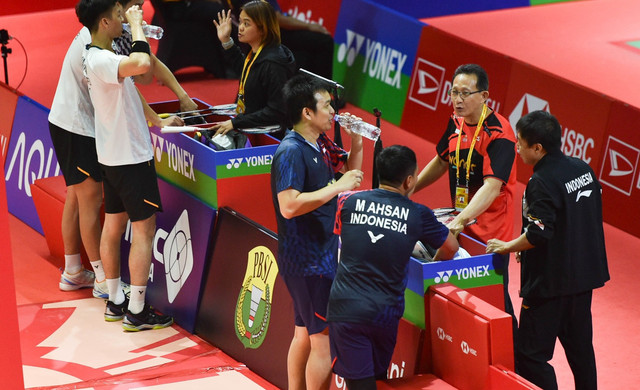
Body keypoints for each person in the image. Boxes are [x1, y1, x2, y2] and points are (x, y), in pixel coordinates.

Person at [486, 111, 610, 390]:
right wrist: (524, 245)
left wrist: (508, 245)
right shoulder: (582, 168)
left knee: (530, 356)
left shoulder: (540, 182)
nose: (516, 148)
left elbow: (539, 233)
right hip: (582, 279)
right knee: (580, 351)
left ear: (538, 148)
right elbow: (572, 215)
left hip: (549, 285)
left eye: (520, 143)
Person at [78, 0, 181, 330]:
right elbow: (141, 64)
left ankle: (115, 300)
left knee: (112, 225)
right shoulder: (102, 58)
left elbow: (131, 87)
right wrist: (138, 25)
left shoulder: (100, 57)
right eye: (120, 16)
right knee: (143, 231)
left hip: (112, 155)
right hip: (131, 158)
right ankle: (136, 310)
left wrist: (155, 120)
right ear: (105, 22)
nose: (124, 18)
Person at [328, 145, 459, 390]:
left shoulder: (347, 200)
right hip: (385, 313)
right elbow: (451, 247)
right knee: (376, 380)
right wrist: (430, 265)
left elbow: (341, 237)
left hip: (347, 307)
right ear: (409, 180)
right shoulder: (418, 214)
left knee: (362, 384)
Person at [271, 73, 364, 390]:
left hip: (319, 255)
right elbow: (289, 205)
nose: (333, 112)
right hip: (307, 262)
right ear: (307, 112)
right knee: (322, 343)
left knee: (303, 333)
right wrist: (336, 187)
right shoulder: (291, 151)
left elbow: (351, 174)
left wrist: (358, 142)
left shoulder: (319, 143)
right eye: (326, 105)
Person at [414, 63, 517, 320]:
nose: (457, 100)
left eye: (465, 94)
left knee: (495, 305)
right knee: (462, 301)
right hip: (460, 229)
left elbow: (492, 187)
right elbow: (441, 160)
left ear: (484, 96)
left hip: (490, 238)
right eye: (453, 92)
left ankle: (515, 357)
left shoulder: (499, 134)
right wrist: (407, 189)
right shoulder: (456, 122)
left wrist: (458, 221)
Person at [48, 27, 108, 299]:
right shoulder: (98, 40)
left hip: (63, 121)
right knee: (91, 198)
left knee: (76, 194)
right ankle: (102, 279)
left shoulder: (93, 26)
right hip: (77, 127)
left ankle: (73, 271)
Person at [212, 1, 297, 138]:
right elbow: (248, 72)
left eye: (247, 24)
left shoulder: (274, 64)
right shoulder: (257, 52)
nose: (240, 28)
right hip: (253, 124)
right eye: (240, 22)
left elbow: (277, 111)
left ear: (263, 28)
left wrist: (236, 122)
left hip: (272, 136)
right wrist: (226, 41)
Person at [114, 0, 199, 114]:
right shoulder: (107, 40)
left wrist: (183, 97)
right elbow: (128, 86)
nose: (140, 12)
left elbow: (146, 76)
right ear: (118, 6)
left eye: (142, 6)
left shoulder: (127, 30)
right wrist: (157, 120)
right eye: (136, 6)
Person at [232, 0, 333, 79]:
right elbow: (276, 18)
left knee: (306, 52)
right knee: (324, 41)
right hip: (272, 33)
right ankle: (323, 90)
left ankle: (313, 92)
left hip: (277, 30)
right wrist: (309, 26)